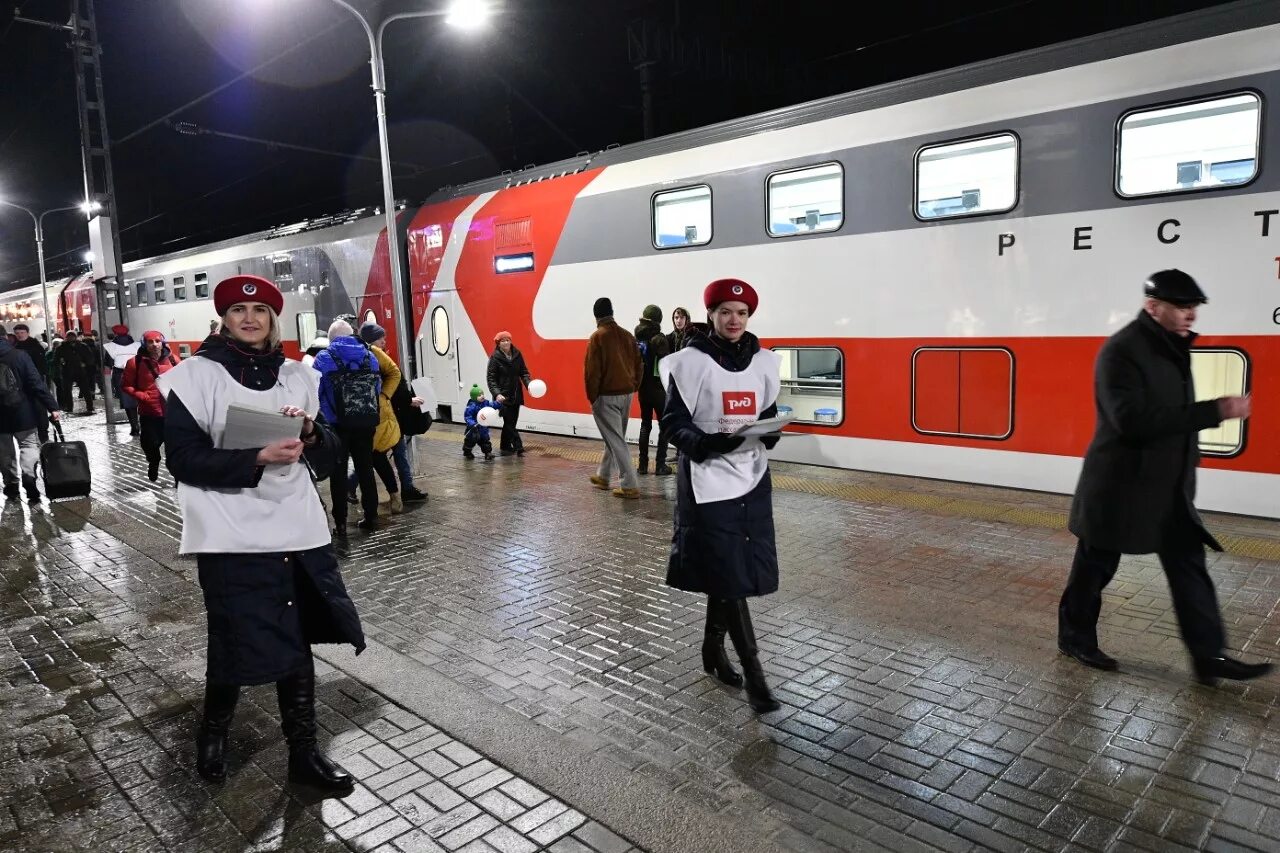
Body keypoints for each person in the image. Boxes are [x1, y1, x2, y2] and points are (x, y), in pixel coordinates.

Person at [156, 274, 363, 792]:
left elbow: (330, 453)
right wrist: (257, 457)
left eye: (261, 311)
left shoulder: (299, 376)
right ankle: (213, 734)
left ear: (274, 319)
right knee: (234, 637)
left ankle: (304, 753)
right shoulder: (192, 376)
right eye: (239, 310)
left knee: (295, 641)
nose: (250, 318)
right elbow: (182, 459)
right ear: (224, 318)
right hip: (229, 533)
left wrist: (312, 433)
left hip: (295, 527)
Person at [1059, 269, 1272, 686]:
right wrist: (1216, 411)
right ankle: (1075, 638)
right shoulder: (1121, 351)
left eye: (1194, 307)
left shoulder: (1170, 348)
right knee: (1094, 568)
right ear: (1153, 307)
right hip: (1119, 488)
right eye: (1181, 307)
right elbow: (1131, 421)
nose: (1191, 314)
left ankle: (1209, 657)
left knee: (1190, 569)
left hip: (1167, 492)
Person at [660, 278, 784, 714]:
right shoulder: (690, 362)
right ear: (710, 315)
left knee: (728, 570)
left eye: (743, 313)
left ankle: (712, 651)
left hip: (751, 478)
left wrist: (769, 435)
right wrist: (708, 443)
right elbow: (672, 424)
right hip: (708, 481)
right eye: (726, 311)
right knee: (730, 573)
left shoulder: (765, 362)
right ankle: (756, 679)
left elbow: (766, 415)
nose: (735, 320)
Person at [312, 319, 384, 535]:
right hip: (365, 422)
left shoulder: (324, 358)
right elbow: (376, 386)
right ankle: (371, 516)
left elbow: (315, 393)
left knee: (338, 473)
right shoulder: (369, 356)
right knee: (365, 468)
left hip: (337, 425)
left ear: (331, 339)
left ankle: (341, 523)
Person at [584, 297, 643, 498]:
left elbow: (593, 372)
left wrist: (593, 397)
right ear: (612, 312)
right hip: (627, 394)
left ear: (596, 316)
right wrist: (634, 386)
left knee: (616, 440)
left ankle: (629, 484)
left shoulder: (597, 337)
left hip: (606, 396)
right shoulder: (628, 336)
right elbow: (639, 364)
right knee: (615, 437)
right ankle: (603, 475)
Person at [342, 323, 404, 512]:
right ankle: (386, 501)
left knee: (374, 456)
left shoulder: (373, 351)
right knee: (371, 458)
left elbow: (394, 372)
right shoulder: (336, 355)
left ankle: (390, 499)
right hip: (355, 414)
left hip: (373, 412)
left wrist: (384, 395)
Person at [0, 325, 62, 502]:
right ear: (6, 337)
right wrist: (52, 407)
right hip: (23, 411)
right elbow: (36, 384)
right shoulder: (19, 356)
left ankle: (11, 484)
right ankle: (28, 475)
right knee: (28, 446)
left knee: (4, 452)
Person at [122, 331, 180, 481]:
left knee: (175, 448)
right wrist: (143, 396)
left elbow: (184, 382)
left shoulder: (173, 360)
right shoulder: (135, 362)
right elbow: (126, 385)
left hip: (172, 413)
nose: (154, 345)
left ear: (163, 342)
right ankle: (153, 461)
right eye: (150, 342)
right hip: (150, 413)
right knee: (150, 445)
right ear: (144, 344)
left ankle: (178, 477)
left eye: (157, 341)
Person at [634, 305, 672, 476]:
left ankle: (642, 465)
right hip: (658, 390)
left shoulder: (638, 337)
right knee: (664, 426)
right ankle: (660, 465)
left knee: (645, 425)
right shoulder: (659, 339)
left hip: (643, 388)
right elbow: (667, 365)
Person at [486, 331, 532, 456]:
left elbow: (524, 372)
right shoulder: (495, 358)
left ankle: (505, 446)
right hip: (503, 396)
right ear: (498, 343)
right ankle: (519, 447)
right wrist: (497, 394)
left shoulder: (517, 354)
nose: (506, 342)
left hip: (516, 394)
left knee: (510, 422)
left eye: (507, 340)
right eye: (503, 341)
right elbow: (491, 379)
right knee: (510, 422)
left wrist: (529, 385)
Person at [11, 323, 51, 442]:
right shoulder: (15, 347)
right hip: (20, 384)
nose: (20, 335)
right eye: (17, 333)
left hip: (35, 381)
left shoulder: (35, 346)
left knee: (39, 407)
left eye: (22, 333)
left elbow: (41, 365)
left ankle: (43, 434)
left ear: (27, 333)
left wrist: (40, 379)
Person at [104, 323, 140, 436]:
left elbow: (108, 364)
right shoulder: (137, 345)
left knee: (128, 401)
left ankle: (134, 426)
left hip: (121, 374)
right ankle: (143, 423)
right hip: (138, 373)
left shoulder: (111, 347)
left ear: (115, 334)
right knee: (142, 400)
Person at [53, 330, 96, 415]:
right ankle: (69, 407)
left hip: (80, 371)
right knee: (67, 391)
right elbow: (56, 359)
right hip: (67, 371)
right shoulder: (62, 347)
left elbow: (89, 358)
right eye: (69, 336)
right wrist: (61, 363)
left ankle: (90, 407)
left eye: (72, 336)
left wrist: (85, 364)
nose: (71, 338)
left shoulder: (82, 346)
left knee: (85, 390)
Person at [462, 385, 498, 460]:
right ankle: (467, 451)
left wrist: (498, 403)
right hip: (474, 429)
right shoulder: (471, 406)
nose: (482, 396)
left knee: (485, 441)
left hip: (483, 428)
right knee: (470, 441)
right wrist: (472, 423)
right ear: (474, 397)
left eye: (482, 394)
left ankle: (488, 453)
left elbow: (492, 405)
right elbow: (468, 417)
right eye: (479, 395)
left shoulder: (485, 403)